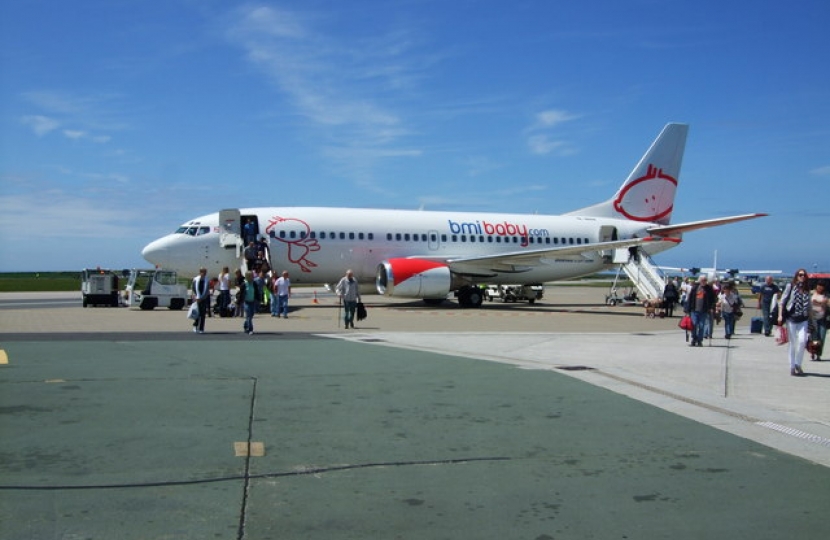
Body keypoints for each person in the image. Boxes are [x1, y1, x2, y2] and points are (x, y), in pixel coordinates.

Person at [778, 269, 812, 376]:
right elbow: (782, 301)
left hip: (803, 319)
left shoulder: (807, 289)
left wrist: (811, 320)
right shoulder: (791, 287)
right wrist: (780, 315)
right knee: (792, 343)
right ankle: (792, 366)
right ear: (796, 276)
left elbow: (809, 306)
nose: (802, 276)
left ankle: (798, 363)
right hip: (791, 318)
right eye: (800, 275)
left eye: (804, 275)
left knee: (802, 341)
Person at [685, 275, 716, 347]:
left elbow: (712, 299)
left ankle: (699, 340)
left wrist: (711, 307)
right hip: (694, 310)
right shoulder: (695, 287)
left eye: (705, 280)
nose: (704, 281)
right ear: (699, 280)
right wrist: (687, 309)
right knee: (694, 324)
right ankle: (694, 338)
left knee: (702, 326)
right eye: (702, 280)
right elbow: (690, 298)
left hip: (704, 310)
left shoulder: (709, 289)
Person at [809, 280, 828, 361]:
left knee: (822, 337)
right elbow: (810, 303)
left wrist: (819, 303)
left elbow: (827, 303)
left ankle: (818, 354)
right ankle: (813, 351)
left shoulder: (826, 295)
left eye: (822, 286)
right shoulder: (811, 293)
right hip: (813, 319)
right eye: (819, 285)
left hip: (823, 319)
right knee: (814, 337)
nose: (820, 287)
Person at [240, 271, 260, 335]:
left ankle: (246, 325)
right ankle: (250, 329)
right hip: (246, 302)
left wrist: (259, 299)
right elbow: (241, 294)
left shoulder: (254, 283)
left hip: (253, 301)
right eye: (251, 275)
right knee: (249, 316)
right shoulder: (244, 284)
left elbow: (257, 292)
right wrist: (239, 301)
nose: (252, 276)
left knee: (251, 316)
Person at [191, 267, 210, 334]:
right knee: (197, 314)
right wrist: (196, 297)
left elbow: (207, 290)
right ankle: (195, 326)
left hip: (203, 299)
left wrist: (202, 298)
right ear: (200, 272)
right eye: (203, 272)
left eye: (205, 272)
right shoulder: (195, 280)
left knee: (203, 314)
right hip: (196, 299)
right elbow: (193, 289)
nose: (204, 273)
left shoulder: (207, 280)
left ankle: (201, 328)